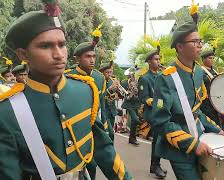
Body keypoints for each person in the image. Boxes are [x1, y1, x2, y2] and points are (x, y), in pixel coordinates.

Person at [0, 2, 132, 179]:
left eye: (62, 44)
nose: (58, 54)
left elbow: (104, 150)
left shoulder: (85, 91)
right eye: (45, 46)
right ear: (23, 54)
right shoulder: (8, 111)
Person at [150, 20, 224, 180]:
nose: (200, 45)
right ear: (180, 47)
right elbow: (161, 121)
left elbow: (196, 113)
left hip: (200, 138)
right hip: (179, 148)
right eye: (195, 42)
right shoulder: (167, 78)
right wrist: (192, 144)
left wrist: (218, 130)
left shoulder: (198, 73)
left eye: (200, 41)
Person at [68, 38, 114, 141]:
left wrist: (104, 126)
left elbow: (101, 106)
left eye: (94, 56)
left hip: (95, 124)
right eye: (88, 56)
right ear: (77, 59)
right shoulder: (68, 77)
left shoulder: (99, 78)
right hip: (75, 127)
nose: (92, 60)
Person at [138, 47, 167, 178]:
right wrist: (157, 102)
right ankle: (155, 165)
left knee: (160, 139)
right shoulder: (145, 78)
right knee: (158, 138)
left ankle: (155, 165)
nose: (158, 61)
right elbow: (143, 98)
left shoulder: (162, 76)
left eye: (159, 59)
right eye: (156, 59)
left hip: (162, 111)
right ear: (149, 62)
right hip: (152, 113)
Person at [199, 49, 220, 126]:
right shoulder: (200, 71)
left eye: (213, 58)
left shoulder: (214, 71)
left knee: (217, 124)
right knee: (211, 124)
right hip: (206, 103)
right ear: (203, 59)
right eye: (209, 58)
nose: (212, 60)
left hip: (215, 102)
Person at [121, 70, 141, 146]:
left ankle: (132, 138)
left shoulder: (137, 82)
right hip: (128, 103)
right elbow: (124, 95)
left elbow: (140, 92)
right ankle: (133, 138)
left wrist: (136, 90)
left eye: (133, 74)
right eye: (130, 75)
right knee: (135, 119)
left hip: (136, 103)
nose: (132, 76)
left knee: (134, 121)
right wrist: (131, 93)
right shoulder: (124, 83)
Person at [99, 61, 119, 130]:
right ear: (102, 73)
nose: (109, 74)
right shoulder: (99, 82)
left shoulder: (112, 81)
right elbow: (99, 96)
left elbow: (117, 95)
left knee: (112, 133)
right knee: (109, 133)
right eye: (107, 72)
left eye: (111, 72)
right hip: (104, 111)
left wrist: (118, 93)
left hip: (112, 111)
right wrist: (109, 89)